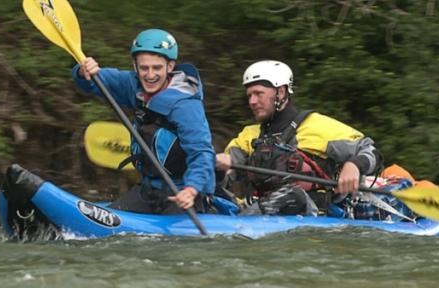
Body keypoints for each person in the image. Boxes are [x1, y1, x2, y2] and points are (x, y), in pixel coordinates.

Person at [73, 29, 216, 214]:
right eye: (144, 68)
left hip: (183, 193)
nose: (150, 75)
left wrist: (191, 189)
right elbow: (93, 82)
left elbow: (202, 152)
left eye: (157, 67)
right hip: (148, 190)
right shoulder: (133, 84)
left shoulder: (186, 105)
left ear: (170, 66)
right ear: (135, 66)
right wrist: (83, 71)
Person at [216, 60, 383, 216]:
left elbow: (370, 151)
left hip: (316, 214)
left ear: (281, 92)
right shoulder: (249, 135)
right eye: (249, 95)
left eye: (259, 94)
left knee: (292, 195)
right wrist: (218, 166)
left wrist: (354, 165)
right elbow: (228, 171)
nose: (252, 101)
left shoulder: (316, 126)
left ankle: (247, 220)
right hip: (261, 212)